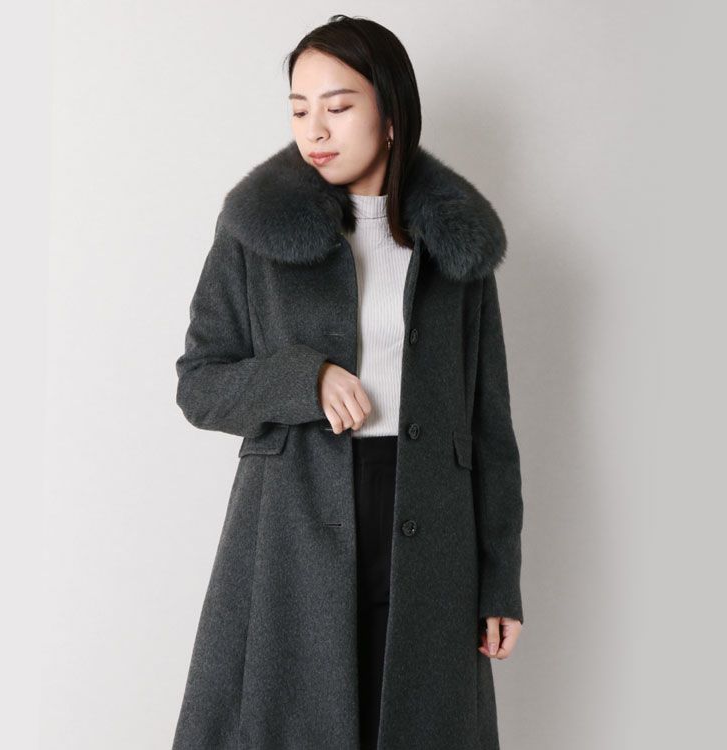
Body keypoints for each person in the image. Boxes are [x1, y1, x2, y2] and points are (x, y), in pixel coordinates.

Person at [172, 14, 524, 750]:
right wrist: (306, 379)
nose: (316, 129)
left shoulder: (454, 245)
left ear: (391, 115)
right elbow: (200, 383)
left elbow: (488, 424)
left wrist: (499, 580)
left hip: (430, 528)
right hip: (292, 527)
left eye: (337, 106)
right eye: (300, 109)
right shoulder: (253, 230)